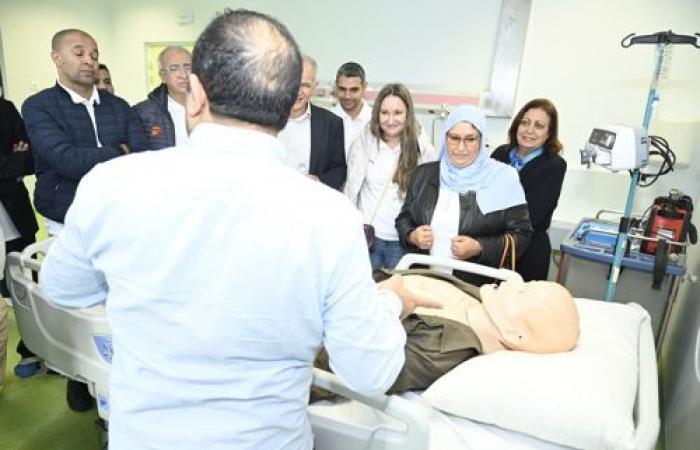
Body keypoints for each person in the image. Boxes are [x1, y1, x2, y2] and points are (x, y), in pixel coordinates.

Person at [39, 9, 439, 450]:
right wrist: (389, 303)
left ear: (194, 94)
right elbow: (372, 372)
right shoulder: (328, 217)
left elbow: (61, 287)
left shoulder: (113, 186)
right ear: (288, 106)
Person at [22, 28, 148, 411]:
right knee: (80, 310)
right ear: (56, 58)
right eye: (79, 52)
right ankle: (80, 379)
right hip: (68, 220)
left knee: (119, 312)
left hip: (119, 223)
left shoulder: (118, 107)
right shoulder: (40, 106)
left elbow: (139, 155)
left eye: (94, 53)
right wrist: (116, 151)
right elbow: (62, 158)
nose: (89, 59)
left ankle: (122, 389)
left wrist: (110, 153)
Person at [315, 272, 580, 395]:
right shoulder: (480, 299)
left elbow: (352, 367)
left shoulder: (440, 350)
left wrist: (385, 301)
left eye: (522, 292)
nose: (512, 281)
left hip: (307, 327)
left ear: (515, 334)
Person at [396, 105, 533, 285]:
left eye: (470, 139)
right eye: (454, 138)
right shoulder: (423, 175)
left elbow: (522, 235)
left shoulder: (502, 178)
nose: (461, 147)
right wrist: (412, 235)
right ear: (445, 138)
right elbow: (404, 218)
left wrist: (479, 247)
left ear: (481, 140)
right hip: (424, 280)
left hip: (475, 286)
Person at [345, 83, 437, 270]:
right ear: (377, 114)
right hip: (367, 239)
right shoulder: (363, 143)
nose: (391, 119)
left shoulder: (423, 149)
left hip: (401, 243)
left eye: (398, 113)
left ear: (408, 114)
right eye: (385, 113)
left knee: (397, 296)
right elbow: (351, 190)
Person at [491, 99, 566, 281]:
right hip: (492, 249)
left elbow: (531, 216)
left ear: (549, 134)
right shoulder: (501, 154)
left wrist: (489, 215)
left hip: (527, 254)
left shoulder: (553, 165)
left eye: (539, 126)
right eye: (525, 122)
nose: (529, 130)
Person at [0, 97, 41, 377]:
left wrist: (17, 160)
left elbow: (28, 160)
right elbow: (15, 160)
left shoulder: (5, 109)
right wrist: (11, 159)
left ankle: (34, 351)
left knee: (27, 288)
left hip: (14, 213)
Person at [278, 55, 346, 190]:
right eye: (294, 83)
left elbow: (339, 169)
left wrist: (318, 181)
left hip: (312, 203)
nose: (298, 92)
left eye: (305, 85)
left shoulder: (332, 124)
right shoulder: (262, 119)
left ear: (315, 87)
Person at [134, 46, 192, 149]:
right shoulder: (143, 113)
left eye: (188, 67)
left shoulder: (213, 107)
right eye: (174, 69)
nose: (183, 75)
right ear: (163, 76)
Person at [331, 62, 371, 153]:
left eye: (354, 90)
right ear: (336, 87)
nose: (347, 96)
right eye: (342, 89)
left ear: (364, 87)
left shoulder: (376, 120)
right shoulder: (325, 121)